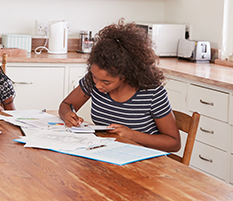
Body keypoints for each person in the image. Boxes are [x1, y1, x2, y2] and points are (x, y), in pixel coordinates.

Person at [59, 19, 181, 153]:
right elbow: (66, 104)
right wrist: (68, 115)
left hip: (143, 160)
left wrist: (133, 135)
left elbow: (174, 143)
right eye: (95, 77)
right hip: (107, 153)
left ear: (126, 76)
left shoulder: (151, 92)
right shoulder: (92, 81)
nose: (98, 85)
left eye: (106, 82)